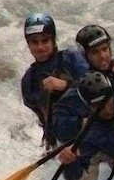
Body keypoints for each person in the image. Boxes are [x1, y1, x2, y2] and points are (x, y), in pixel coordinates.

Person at [19, 13, 88, 147]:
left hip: (89, 127)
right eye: (35, 42)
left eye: (45, 41)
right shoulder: (28, 81)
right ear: (28, 44)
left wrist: (66, 85)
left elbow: (96, 87)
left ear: (53, 40)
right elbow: (44, 120)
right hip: (60, 141)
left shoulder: (71, 58)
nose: (40, 47)